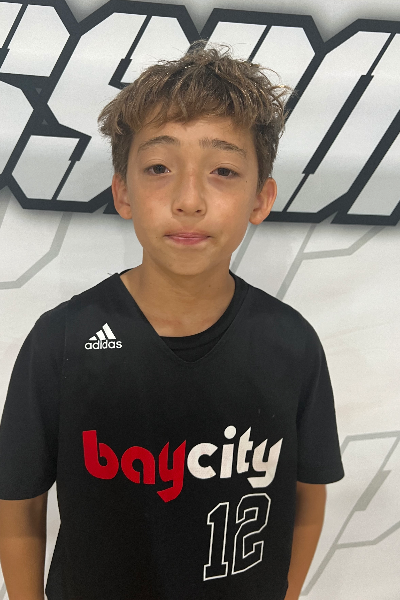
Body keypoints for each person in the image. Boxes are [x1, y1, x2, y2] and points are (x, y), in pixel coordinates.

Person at [0, 40, 344, 600]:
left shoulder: (292, 344)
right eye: (159, 167)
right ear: (122, 192)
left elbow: (308, 492)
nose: (189, 199)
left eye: (223, 170)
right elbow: (19, 501)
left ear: (261, 199)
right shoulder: (60, 340)